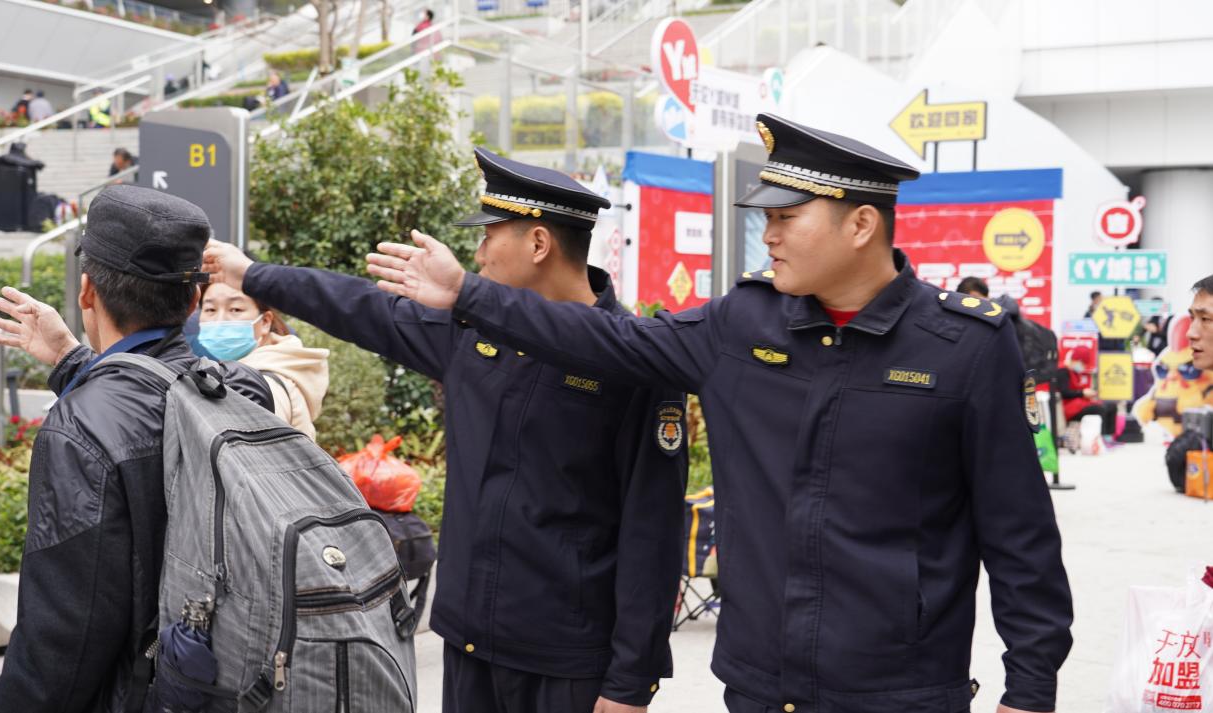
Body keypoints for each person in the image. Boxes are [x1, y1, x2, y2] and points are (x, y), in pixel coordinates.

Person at [367, 114, 1074, 713]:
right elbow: (605, 336)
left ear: (861, 223)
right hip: (759, 686)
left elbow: (1018, 536)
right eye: (764, 218)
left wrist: (1029, 686)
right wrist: (468, 294)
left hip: (900, 690)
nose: (767, 235)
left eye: (785, 218)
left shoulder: (964, 350)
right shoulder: (743, 325)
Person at [203, 147, 687, 713]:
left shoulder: (630, 360)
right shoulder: (471, 332)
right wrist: (251, 275)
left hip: (568, 661)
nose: (477, 253)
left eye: (490, 235)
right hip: (468, 641)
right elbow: (357, 306)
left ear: (538, 244)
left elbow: (653, 532)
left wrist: (630, 683)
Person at [0, 185, 273, 712]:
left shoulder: (81, 428)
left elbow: (65, 639)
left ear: (87, 292)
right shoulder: (243, 390)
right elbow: (161, 394)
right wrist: (70, 360)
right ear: (195, 299)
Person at [197, 281, 329, 439]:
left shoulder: (260, 385)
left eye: (235, 309)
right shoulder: (276, 365)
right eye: (210, 309)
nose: (219, 321)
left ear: (265, 322)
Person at [1055, 345, 1114, 439]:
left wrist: (1087, 394)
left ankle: (1109, 436)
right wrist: (1082, 393)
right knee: (1100, 409)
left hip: (1078, 404)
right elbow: (1064, 393)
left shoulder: (1074, 372)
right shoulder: (1063, 371)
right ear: (1076, 359)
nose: (1083, 366)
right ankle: (1101, 438)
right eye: (1082, 363)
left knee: (1111, 405)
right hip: (1069, 408)